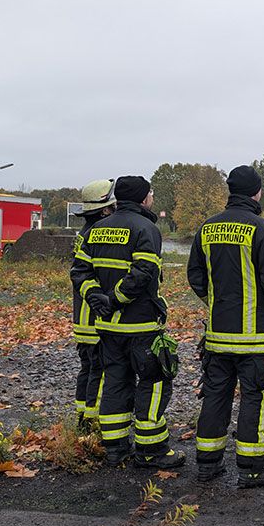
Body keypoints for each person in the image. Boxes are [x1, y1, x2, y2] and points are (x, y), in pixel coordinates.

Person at [187, 165, 264, 488]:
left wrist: (217, 304)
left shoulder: (207, 228)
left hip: (218, 336)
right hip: (255, 340)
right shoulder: (262, 229)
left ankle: (207, 463)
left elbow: (196, 276)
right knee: (255, 399)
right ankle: (252, 469)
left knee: (215, 397)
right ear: (257, 192)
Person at [71, 175, 184, 470]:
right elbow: (144, 272)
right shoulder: (146, 228)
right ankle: (152, 450)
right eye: (150, 193)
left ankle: (115, 449)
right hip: (141, 325)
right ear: (143, 198)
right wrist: (116, 299)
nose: (152, 197)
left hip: (107, 328)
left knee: (115, 384)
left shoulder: (95, 230)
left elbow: (79, 271)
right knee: (155, 381)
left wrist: (96, 298)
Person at [70, 178, 116, 430]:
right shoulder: (98, 235)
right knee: (99, 370)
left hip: (83, 316)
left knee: (87, 369)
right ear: (105, 209)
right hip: (95, 317)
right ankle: (91, 423)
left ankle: (82, 418)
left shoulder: (84, 233)